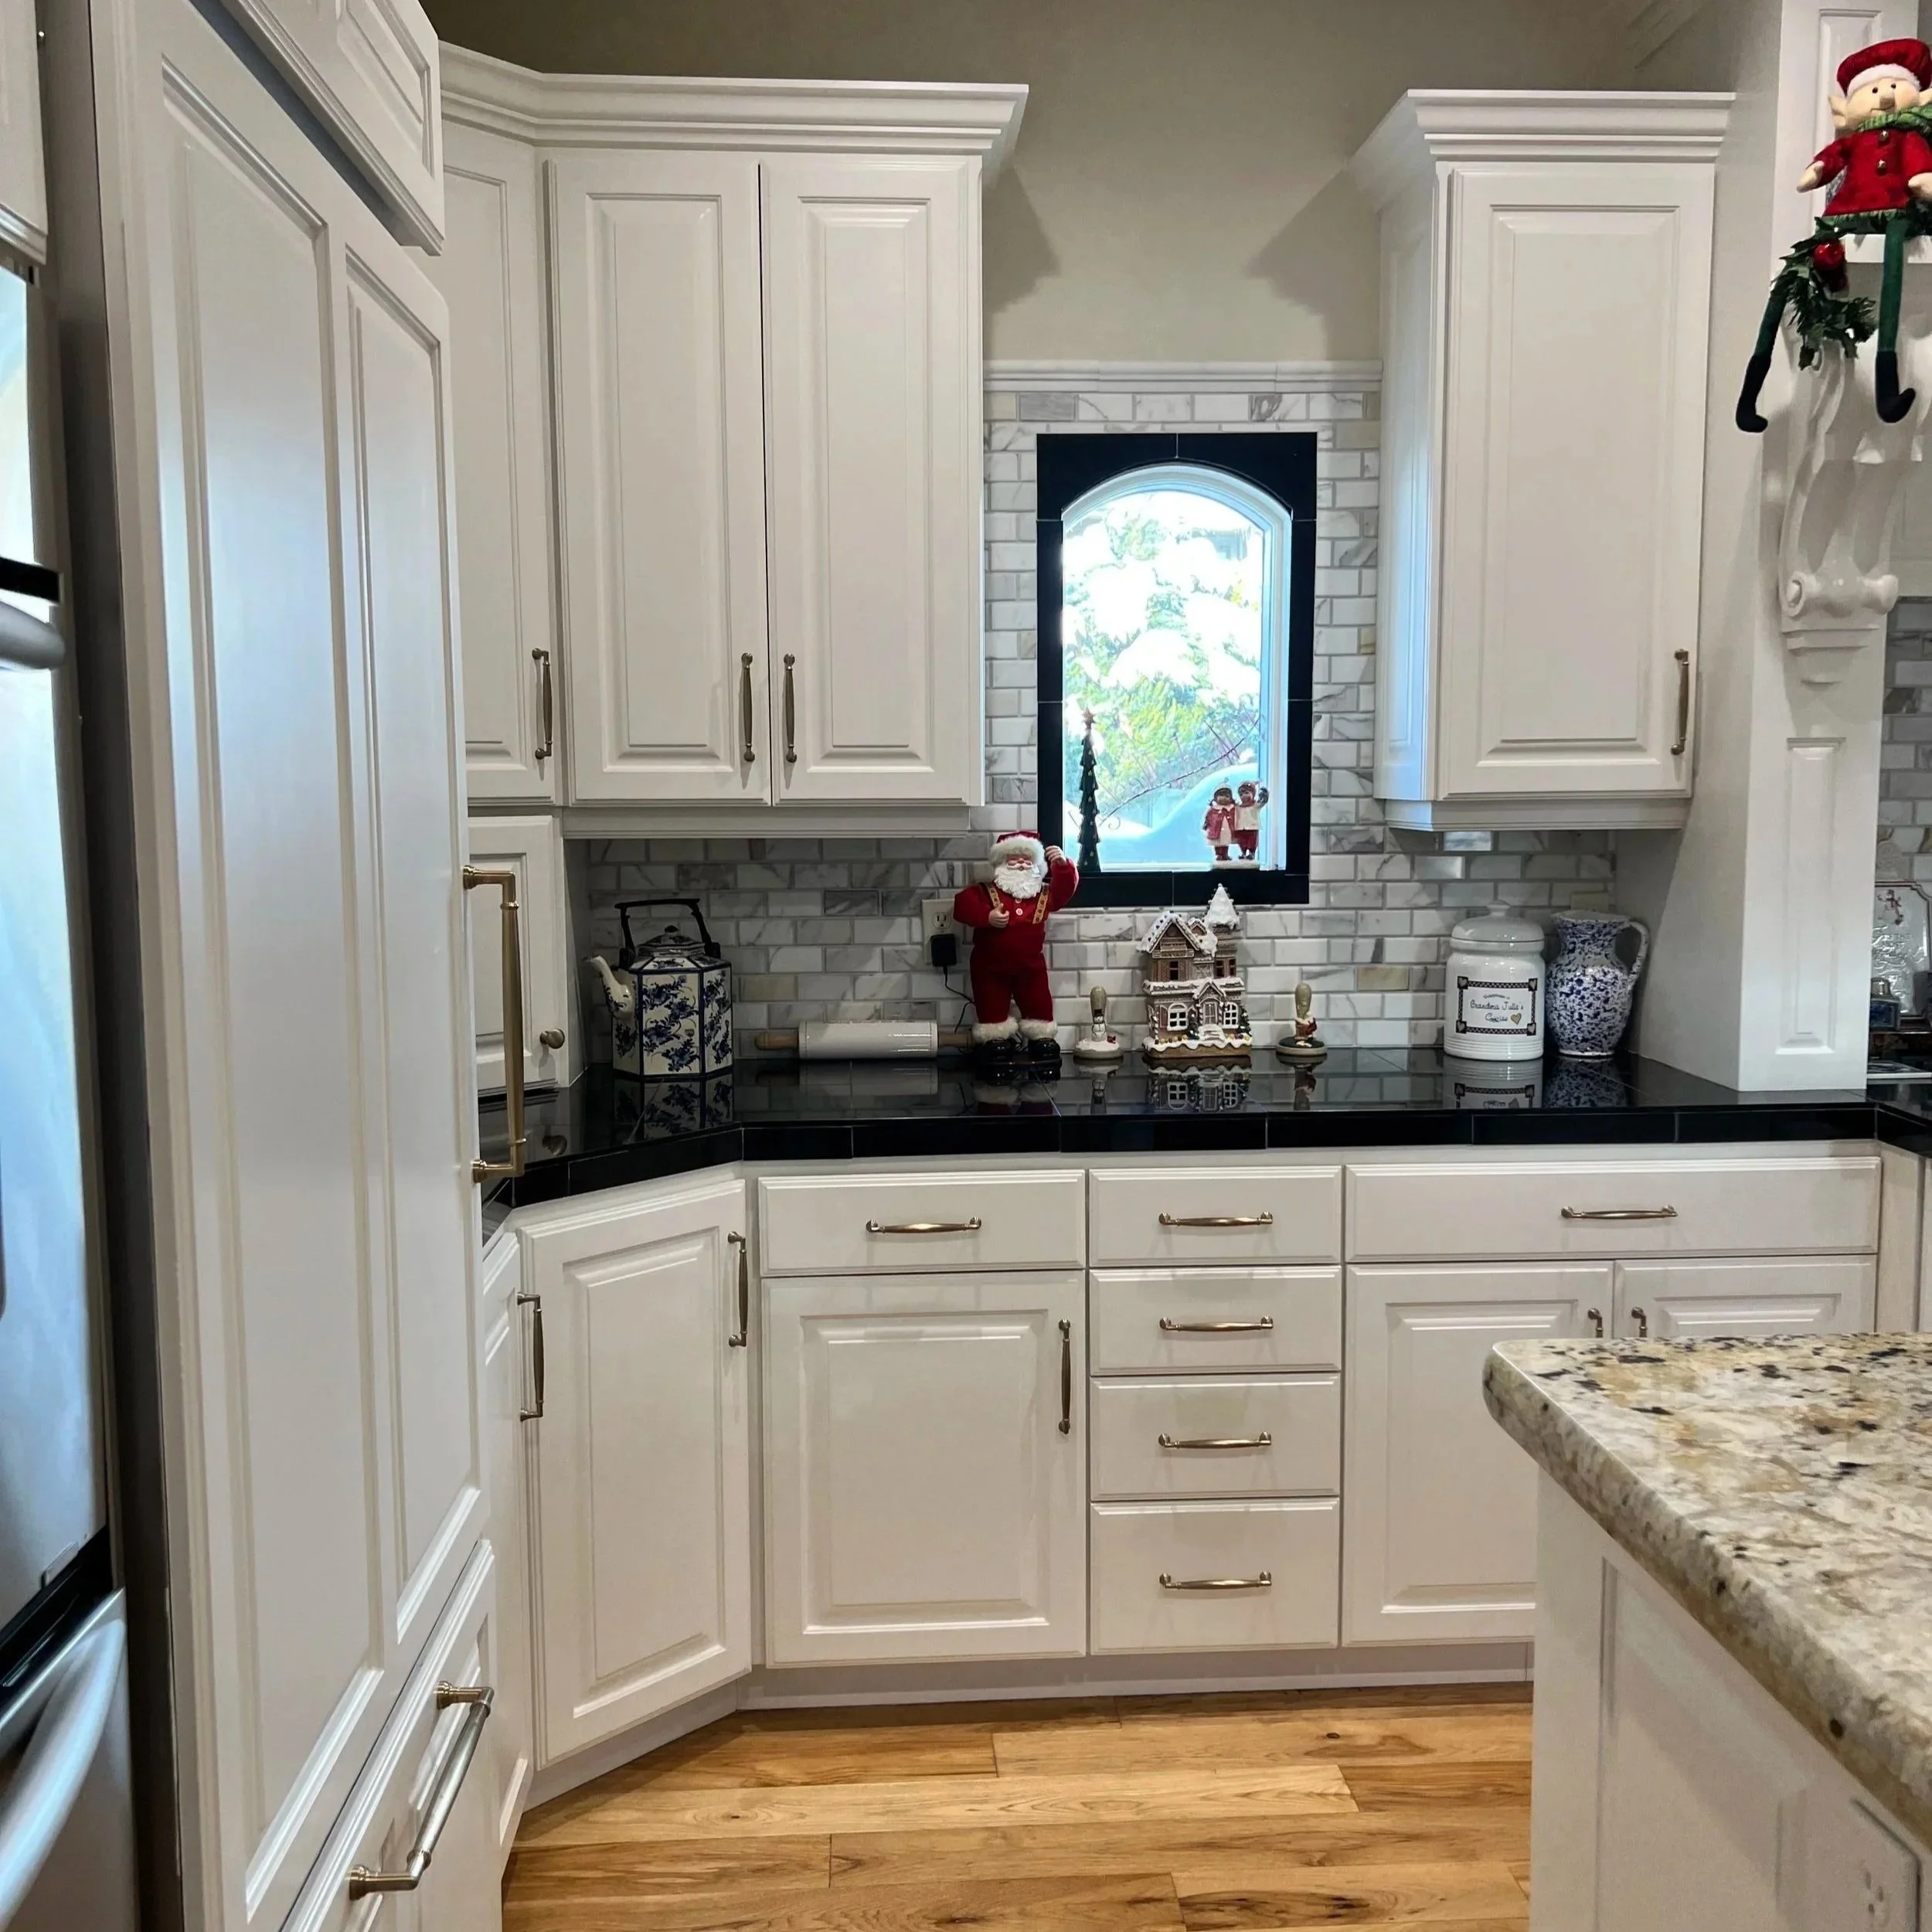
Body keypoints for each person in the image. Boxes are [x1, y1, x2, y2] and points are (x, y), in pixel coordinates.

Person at [951, 831, 1080, 1070]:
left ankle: (1040, 1039)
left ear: (1036, 864)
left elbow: (1064, 892)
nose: (1021, 863)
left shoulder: (1042, 893)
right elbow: (961, 905)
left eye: (1026, 859)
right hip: (990, 968)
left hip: (1031, 969)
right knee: (990, 1003)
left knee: (1039, 1002)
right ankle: (995, 1040)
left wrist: (1062, 866)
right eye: (1014, 858)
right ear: (1001, 863)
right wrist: (987, 916)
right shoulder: (986, 892)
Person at [1233, 781, 1270, 862]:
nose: (1244, 796)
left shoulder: (1255, 805)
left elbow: (1263, 802)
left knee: (1252, 842)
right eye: (1241, 795)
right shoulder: (1238, 806)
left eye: (1246, 793)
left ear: (1252, 793)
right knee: (1242, 842)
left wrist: (1264, 795)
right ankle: (1243, 853)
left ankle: (1251, 854)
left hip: (1252, 828)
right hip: (1241, 828)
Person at [1202, 785, 1237, 862]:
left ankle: (1225, 855)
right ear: (1216, 797)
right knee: (1218, 843)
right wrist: (1206, 824)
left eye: (1227, 796)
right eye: (1221, 795)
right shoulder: (1213, 809)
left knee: (1226, 842)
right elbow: (1208, 817)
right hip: (1216, 829)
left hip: (1228, 829)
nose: (1224, 798)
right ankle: (1218, 854)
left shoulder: (1232, 808)